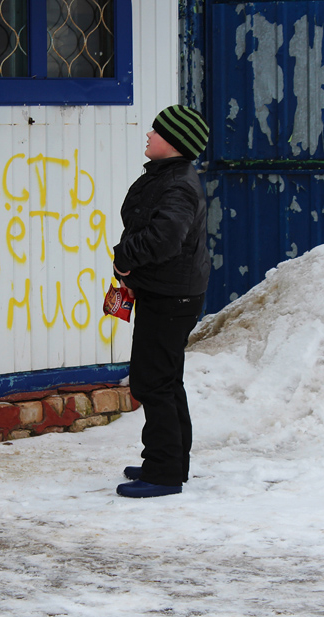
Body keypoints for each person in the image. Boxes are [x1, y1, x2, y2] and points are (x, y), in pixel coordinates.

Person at [112, 105, 210, 498]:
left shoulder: (178, 184)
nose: (148, 136)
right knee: (165, 380)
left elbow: (165, 239)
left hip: (171, 296)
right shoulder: (168, 176)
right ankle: (170, 462)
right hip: (168, 290)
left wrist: (124, 256)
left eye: (156, 131)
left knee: (153, 382)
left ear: (173, 142)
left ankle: (164, 473)